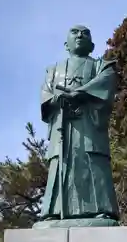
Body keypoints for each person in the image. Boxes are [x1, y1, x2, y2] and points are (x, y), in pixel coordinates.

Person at [38, 25, 119, 225]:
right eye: (74, 32)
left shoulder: (102, 65)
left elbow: (106, 82)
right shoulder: (53, 70)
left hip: (89, 125)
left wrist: (80, 93)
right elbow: (46, 94)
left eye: (85, 32)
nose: (80, 35)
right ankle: (54, 210)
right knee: (60, 163)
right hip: (62, 125)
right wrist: (58, 100)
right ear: (66, 44)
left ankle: (101, 209)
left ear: (92, 45)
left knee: (94, 161)